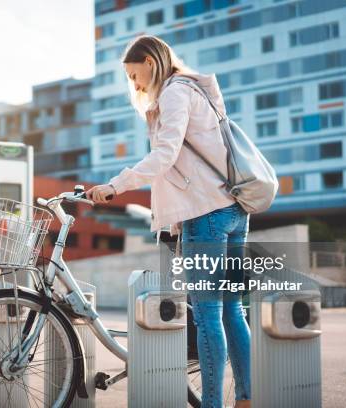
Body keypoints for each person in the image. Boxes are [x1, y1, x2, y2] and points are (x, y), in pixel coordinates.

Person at [86, 35, 251, 408]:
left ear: (150, 61)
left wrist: (115, 186)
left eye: (134, 75)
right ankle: (246, 398)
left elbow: (165, 156)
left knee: (208, 315)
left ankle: (212, 404)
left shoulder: (175, 93)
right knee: (231, 309)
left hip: (205, 215)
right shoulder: (197, 90)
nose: (135, 84)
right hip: (232, 210)